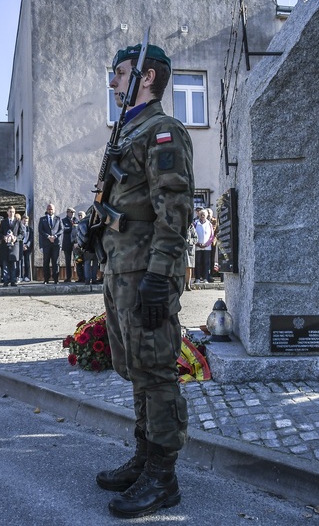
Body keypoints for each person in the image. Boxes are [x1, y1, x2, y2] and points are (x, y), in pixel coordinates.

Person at [94, 42, 194, 518]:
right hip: (121, 270)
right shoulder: (127, 132)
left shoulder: (163, 132)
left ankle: (163, 477)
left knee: (155, 371)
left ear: (146, 78)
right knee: (135, 368)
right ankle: (144, 457)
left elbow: (173, 213)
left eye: (120, 73)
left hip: (145, 274)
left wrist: (159, 276)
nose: (114, 81)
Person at [0, 206, 23, 286]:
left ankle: (13, 280)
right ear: (7, 212)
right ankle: (5, 280)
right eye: (10, 211)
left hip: (14, 245)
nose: (12, 213)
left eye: (13, 212)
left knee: (13, 264)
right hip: (5, 245)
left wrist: (16, 238)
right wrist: (4, 237)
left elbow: (22, 233)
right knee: (5, 263)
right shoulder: (3, 222)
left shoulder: (18, 222)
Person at [38, 203, 63, 284]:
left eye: (51, 209)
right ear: (46, 210)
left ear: (54, 210)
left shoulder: (58, 219)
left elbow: (61, 229)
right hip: (46, 243)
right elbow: (40, 230)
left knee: (56, 262)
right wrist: (48, 236)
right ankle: (46, 279)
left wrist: (55, 236)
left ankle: (56, 279)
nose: (50, 210)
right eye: (49, 209)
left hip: (56, 243)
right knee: (46, 261)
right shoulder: (42, 219)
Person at [193, 210, 213, 283]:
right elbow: (193, 235)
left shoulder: (209, 224)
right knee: (197, 262)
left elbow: (211, 236)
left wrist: (206, 244)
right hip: (198, 247)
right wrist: (198, 243)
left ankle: (205, 278)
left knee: (206, 262)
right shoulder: (195, 224)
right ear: (199, 215)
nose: (202, 215)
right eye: (201, 214)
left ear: (207, 215)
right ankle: (197, 278)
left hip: (207, 247)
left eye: (204, 214)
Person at [62, 207, 77, 282]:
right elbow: (64, 229)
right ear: (68, 213)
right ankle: (68, 277)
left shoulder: (76, 220)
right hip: (67, 243)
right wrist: (72, 227)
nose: (73, 214)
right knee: (67, 261)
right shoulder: (63, 221)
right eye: (71, 213)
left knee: (77, 260)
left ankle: (79, 276)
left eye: (74, 213)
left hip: (75, 243)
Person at [19, 214, 33, 282]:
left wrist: (27, 245)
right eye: (24, 221)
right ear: (21, 221)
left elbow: (31, 239)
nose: (25, 223)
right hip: (20, 246)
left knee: (27, 262)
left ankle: (27, 276)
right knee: (20, 262)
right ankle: (20, 276)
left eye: (27, 221)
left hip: (27, 247)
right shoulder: (19, 228)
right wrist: (22, 245)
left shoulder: (30, 229)